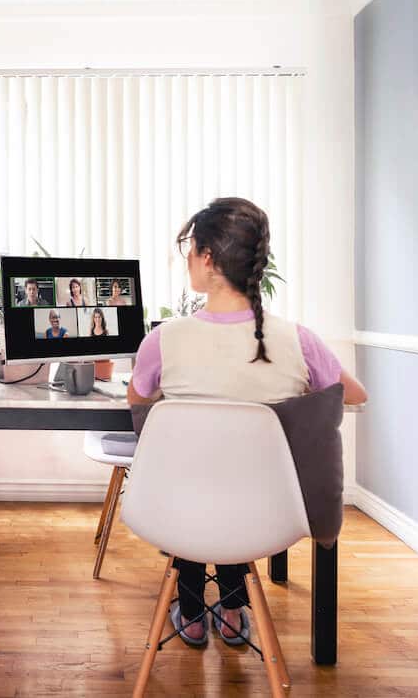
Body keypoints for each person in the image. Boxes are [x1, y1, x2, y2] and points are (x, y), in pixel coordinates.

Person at [127, 197, 367, 647]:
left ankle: (192, 616)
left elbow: (138, 401)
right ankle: (235, 611)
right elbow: (353, 395)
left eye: (190, 249)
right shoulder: (298, 340)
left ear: (209, 258)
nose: (188, 261)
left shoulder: (163, 340)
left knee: (200, 474)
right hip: (267, 516)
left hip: (177, 509)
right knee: (235, 477)